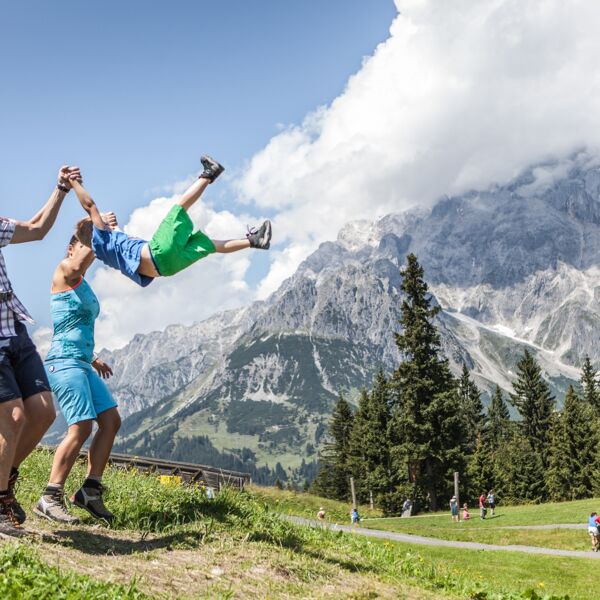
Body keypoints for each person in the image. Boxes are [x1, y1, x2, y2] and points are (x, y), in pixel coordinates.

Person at [0, 166, 80, 538]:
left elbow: (36, 228)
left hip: (13, 326)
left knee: (44, 411)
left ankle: (4, 481)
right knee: (13, 418)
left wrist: (61, 190)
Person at [68, 156, 272, 288]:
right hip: (158, 252)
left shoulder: (105, 249)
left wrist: (112, 225)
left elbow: (118, 236)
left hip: (166, 269)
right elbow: (90, 205)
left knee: (212, 245)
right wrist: (74, 182)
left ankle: (255, 241)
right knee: (178, 209)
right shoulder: (100, 236)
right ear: (94, 227)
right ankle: (209, 174)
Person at [34, 216, 121, 524]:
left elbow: (77, 325)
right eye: (87, 247)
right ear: (72, 248)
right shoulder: (63, 271)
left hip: (82, 362)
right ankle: (50, 496)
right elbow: (77, 263)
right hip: (63, 362)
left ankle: (90, 490)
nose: (92, 253)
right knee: (82, 427)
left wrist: (93, 358)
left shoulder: (83, 285)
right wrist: (97, 229)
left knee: (110, 421)